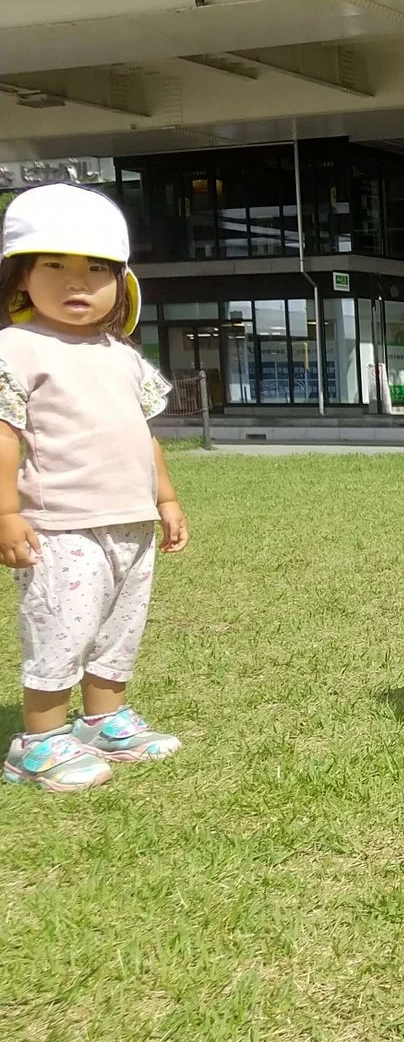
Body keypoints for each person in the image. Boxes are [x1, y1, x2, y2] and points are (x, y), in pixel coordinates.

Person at [0, 183, 189, 794]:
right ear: (22, 276)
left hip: (129, 518)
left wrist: (165, 498)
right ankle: (38, 740)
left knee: (118, 626)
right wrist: (6, 510)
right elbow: (5, 434)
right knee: (61, 624)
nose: (77, 282)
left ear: (120, 283)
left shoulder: (123, 355)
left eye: (96, 269)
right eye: (54, 265)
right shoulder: (17, 348)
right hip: (60, 522)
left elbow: (145, 435)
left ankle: (103, 719)